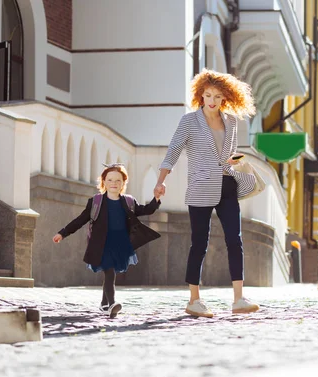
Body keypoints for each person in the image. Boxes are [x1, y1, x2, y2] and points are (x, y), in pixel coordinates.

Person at [154, 68, 259, 318]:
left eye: (217, 97)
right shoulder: (189, 121)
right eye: (208, 95)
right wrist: (161, 181)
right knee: (199, 243)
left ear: (226, 99)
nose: (212, 101)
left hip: (227, 185)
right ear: (201, 96)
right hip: (201, 187)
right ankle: (194, 300)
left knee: (235, 240)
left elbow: (228, 155)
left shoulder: (231, 122)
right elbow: (174, 151)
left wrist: (237, 161)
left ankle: (238, 299)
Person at [53, 164, 161, 318]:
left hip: (120, 244)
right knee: (109, 272)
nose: (114, 183)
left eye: (118, 180)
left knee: (109, 273)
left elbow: (147, 210)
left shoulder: (128, 202)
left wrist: (156, 198)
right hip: (101, 244)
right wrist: (63, 233)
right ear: (103, 181)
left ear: (123, 183)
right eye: (110, 179)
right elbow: (80, 220)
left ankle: (104, 303)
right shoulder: (96, 202)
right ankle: (112, 304)